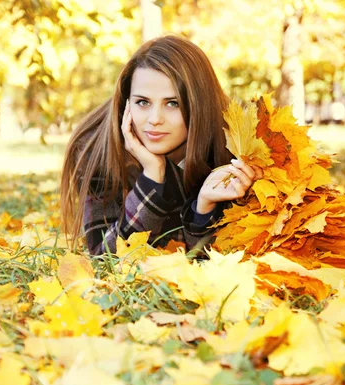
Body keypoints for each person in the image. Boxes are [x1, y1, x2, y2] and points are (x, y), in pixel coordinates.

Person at [60, 35, 263, 255]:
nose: (155, 119)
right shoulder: (97, 148)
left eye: (173, 103)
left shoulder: (231, 148)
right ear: (127, 102)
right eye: (143, 102)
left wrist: (204, 208)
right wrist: (152, 179)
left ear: (199, 105)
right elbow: (104, 259)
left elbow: (208, 261)